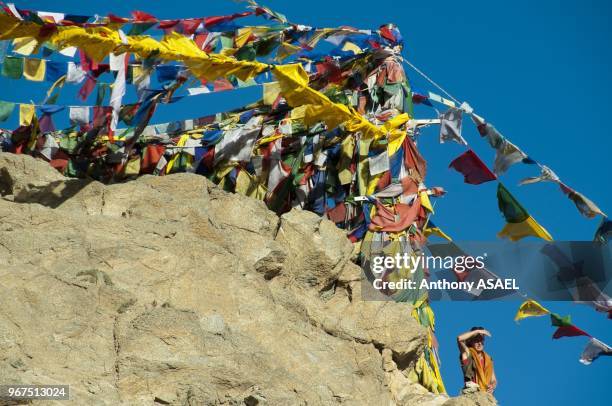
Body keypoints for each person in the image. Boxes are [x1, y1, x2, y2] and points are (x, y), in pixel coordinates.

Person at [457, 326, 497, 394]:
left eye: (481, 340)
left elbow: (493, 379)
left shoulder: (488, 359)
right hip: (471, 391)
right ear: (471, 342)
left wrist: (492, 386)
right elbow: (459, 339)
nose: (479, 343)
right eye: (476, 340)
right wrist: (477, 331)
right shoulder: (467, 352)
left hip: (485, 393)